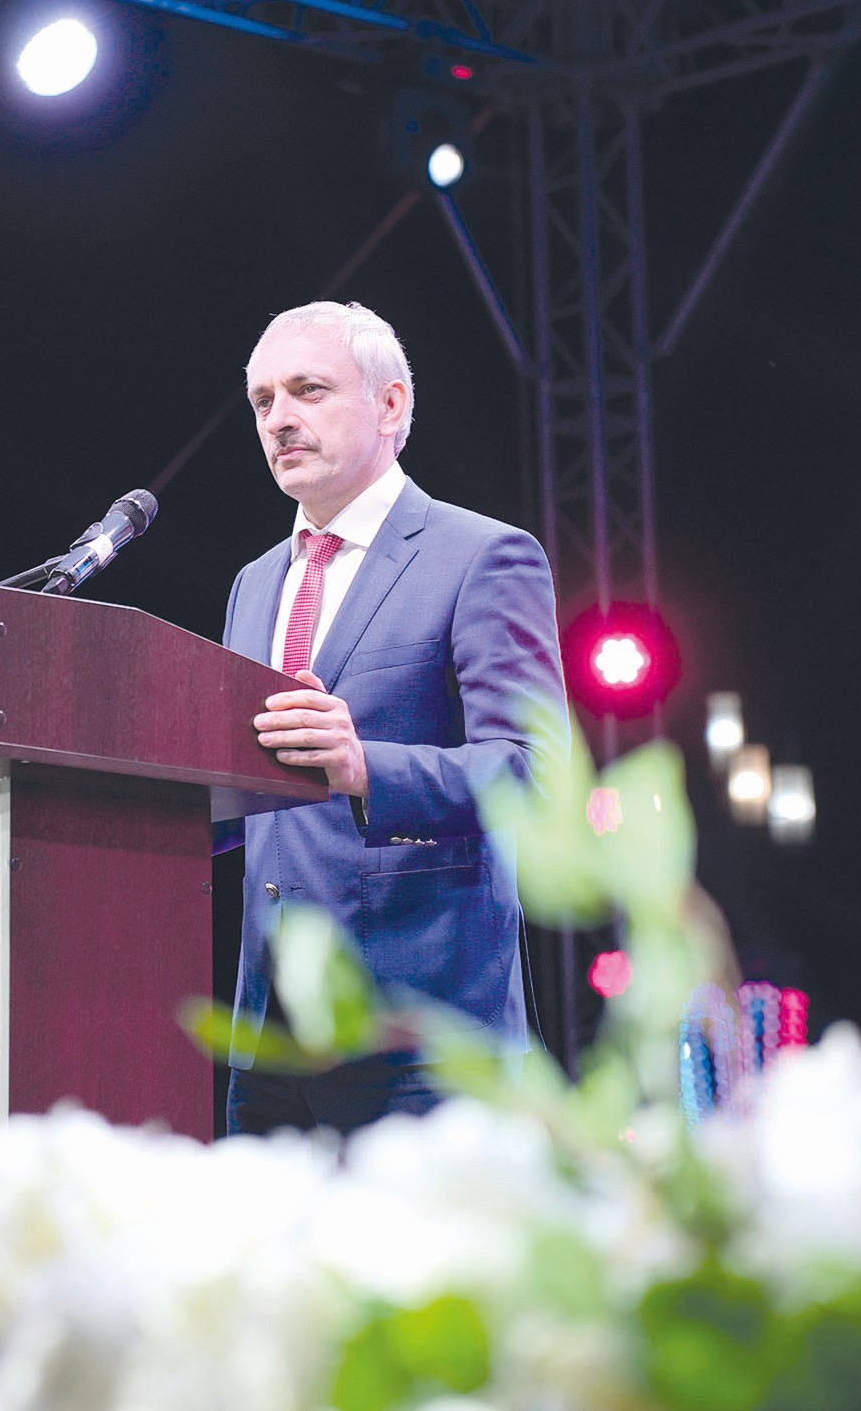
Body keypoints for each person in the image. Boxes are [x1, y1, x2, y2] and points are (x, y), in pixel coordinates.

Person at [218, 300, 565, 1135]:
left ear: (390, 405)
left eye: (308, 390)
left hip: (425, 1036)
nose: (279, 419)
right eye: (263, 400)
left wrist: (366, 766)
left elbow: (534, 771)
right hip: (270, 1042)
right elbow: (246, 788)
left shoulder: (482, 557)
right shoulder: (254, 584)